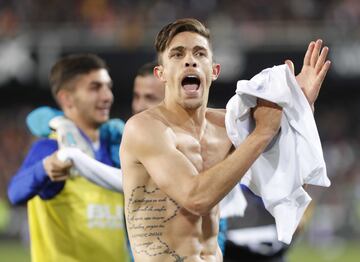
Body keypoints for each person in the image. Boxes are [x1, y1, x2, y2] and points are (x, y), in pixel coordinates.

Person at [120, 18, 330, 261]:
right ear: (161, 74)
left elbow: (288, 172)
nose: (190, 60)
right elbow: (195, 198)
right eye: (177, 55)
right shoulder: (144, 128)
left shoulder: (228, 125)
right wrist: (262, 132)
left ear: (214, 70)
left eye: (199, 53)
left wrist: (299, 109)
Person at [7, 54, 130, 262]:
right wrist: (45, 168)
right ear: (67, 98)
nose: (107, 96)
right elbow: (15, 192)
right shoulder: (51, 147)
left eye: (108, 86)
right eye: (95, 87)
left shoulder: (113, 147)